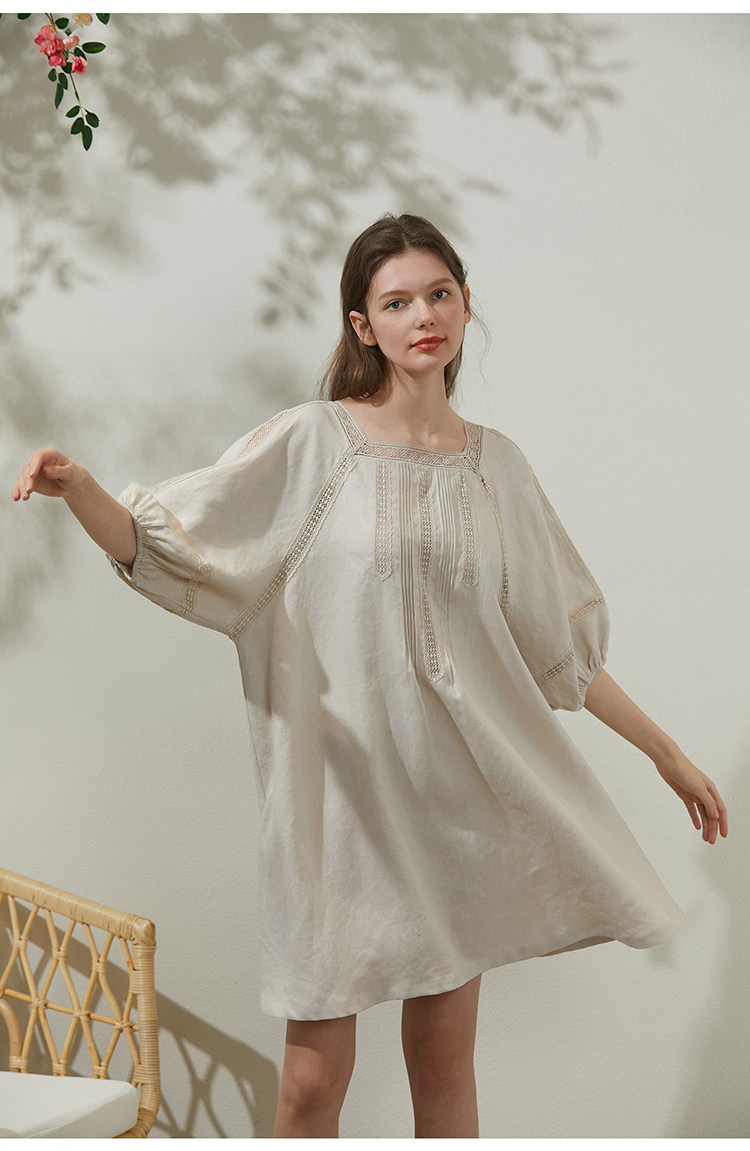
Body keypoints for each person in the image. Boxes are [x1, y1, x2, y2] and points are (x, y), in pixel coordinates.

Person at [12, 213, 728, 1139]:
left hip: (453, 809)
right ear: (363, 326)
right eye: (397, 302)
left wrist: (666, 752)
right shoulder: (316, 444)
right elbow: (182, 547)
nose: (422, 316)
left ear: (465, 304)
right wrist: (82, 491)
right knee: (313, 1088)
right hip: (337, 813)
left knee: (445, 1069)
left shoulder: (498, 468)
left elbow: (560, 649)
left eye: (439, 294)